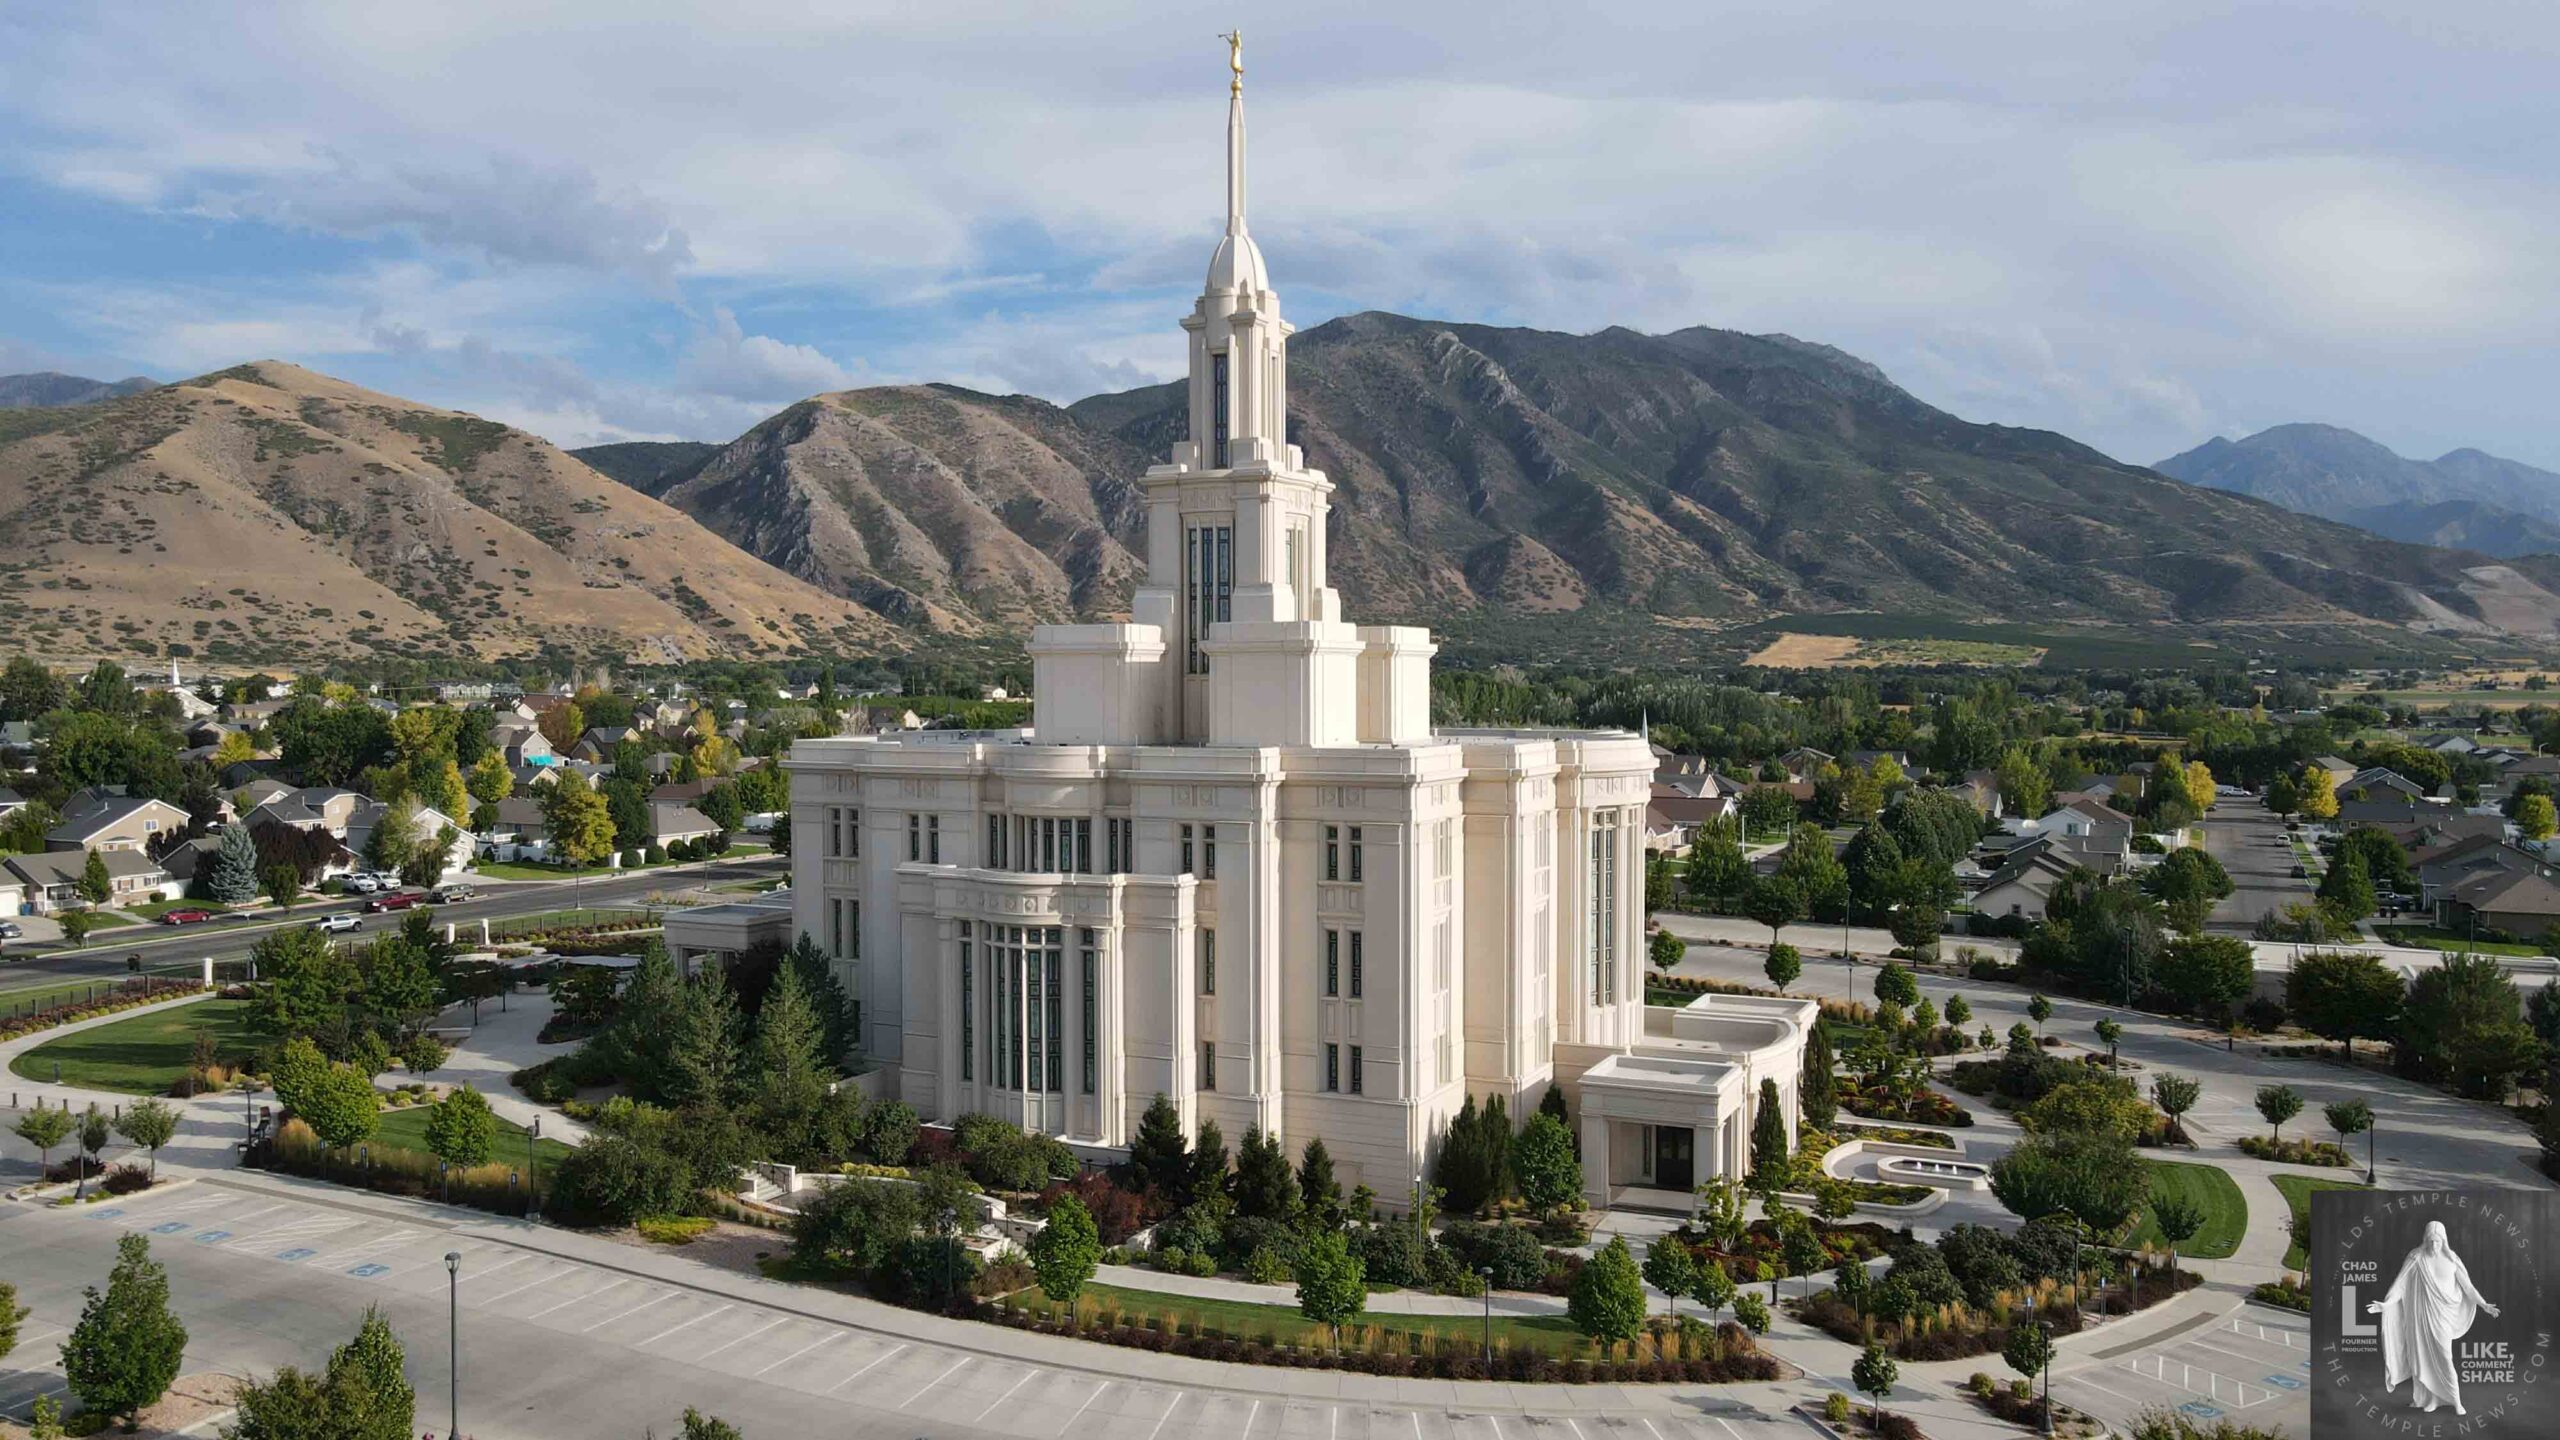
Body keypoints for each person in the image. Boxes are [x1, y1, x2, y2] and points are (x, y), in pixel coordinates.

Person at [2367, 1220, 2500, 1414]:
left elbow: (2468, 1287)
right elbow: (2400, 1285)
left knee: (2445, 1357)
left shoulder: (2452, 1260)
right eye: (2430, 1241)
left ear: (2444, 1241)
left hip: (2443, 1317)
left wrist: (2484, 1304)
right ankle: (2429, 1399)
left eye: (2437, 1241)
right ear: (2425, 1239)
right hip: (2420, 1318)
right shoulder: (2416, 1258)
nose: (2433, 1245)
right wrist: (2386, 1304)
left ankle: (2456, 1401)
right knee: (2421, 1358)